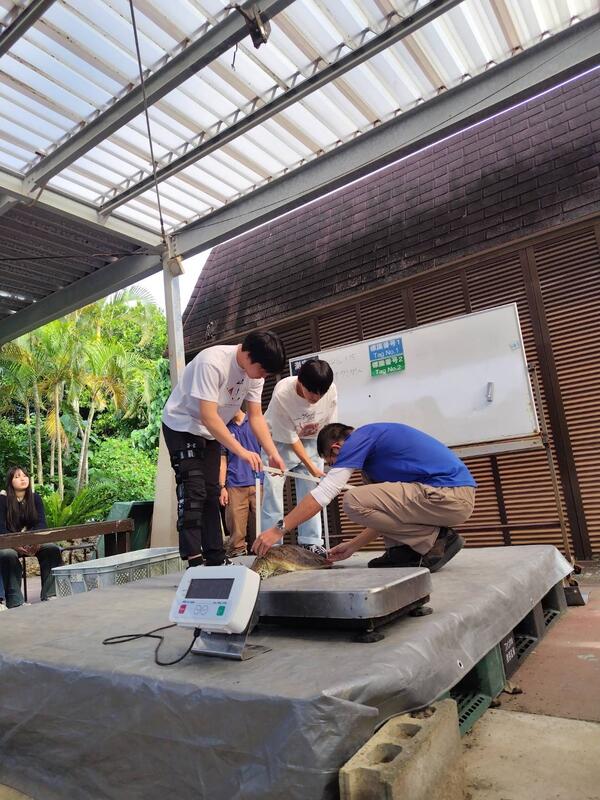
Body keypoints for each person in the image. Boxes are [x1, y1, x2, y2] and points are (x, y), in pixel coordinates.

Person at [253, 422, 476, 572]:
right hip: (448, 498)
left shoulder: (360, 438)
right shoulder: (373, 465)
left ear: (336, 448)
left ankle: (437, 540)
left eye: (332, 462)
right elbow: (385, 513)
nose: (336, 466)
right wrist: (353, 546)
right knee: (364, 499)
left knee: (352, 500)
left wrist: (279, 529)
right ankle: (404, 552)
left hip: (449, 493)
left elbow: (324, 493)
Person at [162, 330, 287, 568]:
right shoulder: (212, 362)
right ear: (248, 355)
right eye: (263, 370)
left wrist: (272, 452)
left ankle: (215, 558)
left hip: (212, 430)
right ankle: (194, 559)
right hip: (182, 425)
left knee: (212, 491)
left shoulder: (255, 376)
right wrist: (241, 450)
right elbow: (208, 415)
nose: (263, 377)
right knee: (193, 490)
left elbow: (256, 417)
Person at [261, 358, 337, 556]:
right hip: (279, 442)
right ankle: (272, 546)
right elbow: (291, 438)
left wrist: (329, 456)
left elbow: (330, 427)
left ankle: (310, 542)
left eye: (321, 394)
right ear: (300, 381)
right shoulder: (283, 392)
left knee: (311, 492)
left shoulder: (329, 389)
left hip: (312, 441)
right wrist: (311, 467)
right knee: (273, 493)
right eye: (312, 392)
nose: (316, 398)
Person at [0, 466, 63, 608]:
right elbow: (1, 528)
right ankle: (15, 602)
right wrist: (15, 545)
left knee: (51, 549)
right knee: (7, 555)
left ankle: (50, 594)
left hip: (32, 541)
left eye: (25, 476)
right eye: (17, 477)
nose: (22, 479)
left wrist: (36, 542)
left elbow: (41, 523)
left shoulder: (35, 498)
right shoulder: (3, 499)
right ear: (10, 481)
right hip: (9, 543)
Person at [219, 407, 263, 557]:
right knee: (236, 529)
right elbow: (222, 460)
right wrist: (222, 487)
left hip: (259, 481)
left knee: (263, 524)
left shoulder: (255, 420)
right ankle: (237, 554)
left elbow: (266, 450)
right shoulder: (224, 428)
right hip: (234, 483)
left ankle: (264, 554)